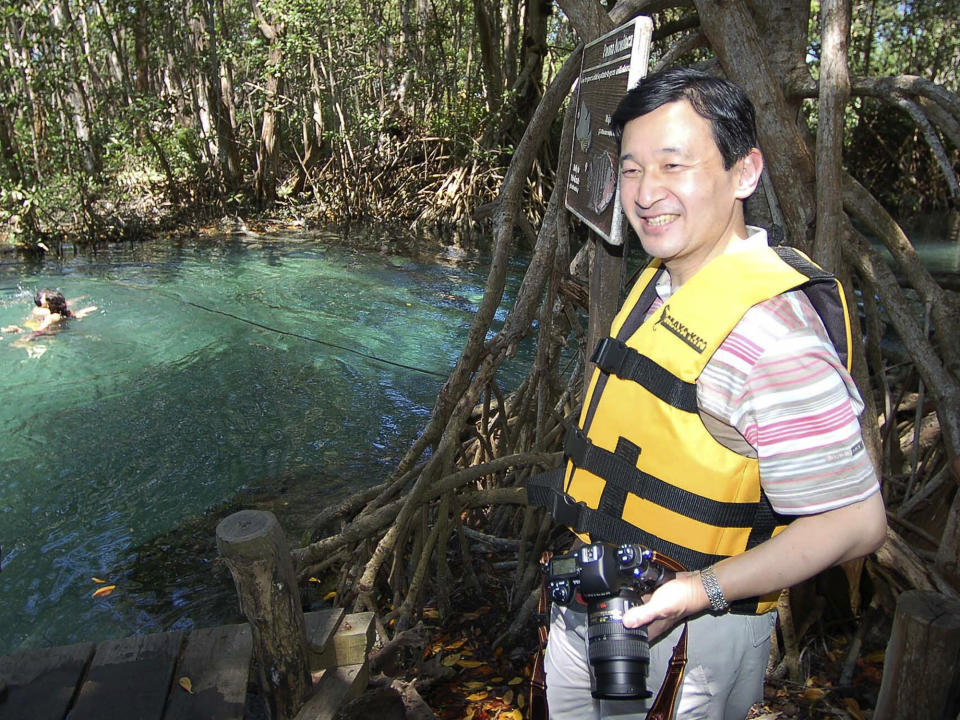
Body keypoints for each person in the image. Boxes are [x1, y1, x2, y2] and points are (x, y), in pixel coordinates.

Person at [529, 67, 886, 719]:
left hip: (690, 643)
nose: (645, 192)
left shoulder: (776, 339)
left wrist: (702, 591)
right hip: (593, 606)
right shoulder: (657, 284)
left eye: (674, 165)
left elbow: (856, 522)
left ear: (745, 174)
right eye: (632, 169)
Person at [1, 288, 97, 339]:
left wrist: (23, 337)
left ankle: (17, 330)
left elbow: (39, 331)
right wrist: (87, 309)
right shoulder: (65, 312)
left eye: (44, 300)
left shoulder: (50, 317)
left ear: (49, 304)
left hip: (41, 333)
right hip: (53, 333)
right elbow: (75, 315)